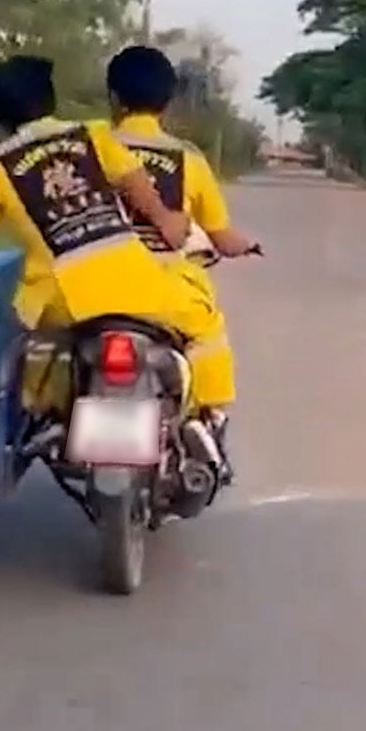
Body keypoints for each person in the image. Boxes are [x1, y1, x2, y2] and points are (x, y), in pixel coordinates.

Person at [0, 56, 237, 469]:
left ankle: (44, 416)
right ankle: (206, 413)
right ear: (50, 98)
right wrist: (165, 219)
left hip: (62, 300)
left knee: (39, 348)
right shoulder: (93, 135)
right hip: (136, 282)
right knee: (205, 325)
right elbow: (134, 181)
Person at [94, 45, 263, 472]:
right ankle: (206, 418)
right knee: (209, 334)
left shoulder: (87, 150)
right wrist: (246, 244)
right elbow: (221, 236)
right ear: (167, 102)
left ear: (113, 97)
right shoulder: (188, 159)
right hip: (163, 294)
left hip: (86, 287)